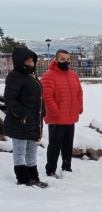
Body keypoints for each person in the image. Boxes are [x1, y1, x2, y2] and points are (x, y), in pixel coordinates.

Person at [3, 47, 48, 188]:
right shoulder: (14, 76)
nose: (30, 63)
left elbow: (39, 97)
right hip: (20, 122)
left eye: (31, 60)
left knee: (31, 151)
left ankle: (34, 177)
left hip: (33, 121)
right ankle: (23, 178)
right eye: (27, 60)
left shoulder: (32, 76)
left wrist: (43, 110)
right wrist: (22, 113)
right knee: (19, 150)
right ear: (19, 61)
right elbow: (9, 99)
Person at [41, 49, 83, 178]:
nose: (66, 62)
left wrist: (79, 107)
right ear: (56, 60)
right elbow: (46, 96)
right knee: (54, 146)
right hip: (57, 118)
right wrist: (55, 111)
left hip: (70, 117)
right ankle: (51, 169)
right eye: (63, 59)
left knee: (67, 145)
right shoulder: (49, 75)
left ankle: (66, 166)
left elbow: (79, 92)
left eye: (68, 59)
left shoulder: (73, 75)